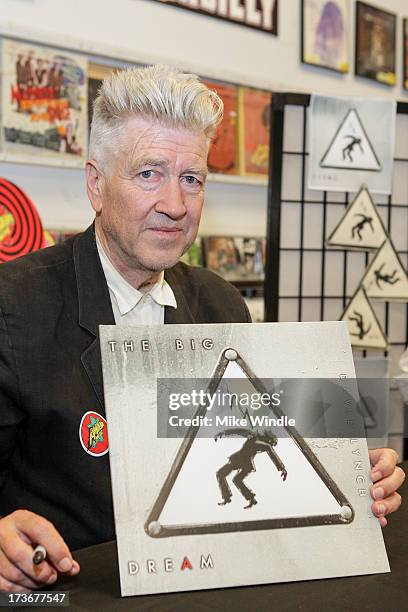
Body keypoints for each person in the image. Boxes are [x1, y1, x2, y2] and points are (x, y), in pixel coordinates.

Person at [0, 65, 404, 592]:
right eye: (149, 173)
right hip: (70, 593)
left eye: (191, 178)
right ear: (96, 184)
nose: (175, 204)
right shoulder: (13, 306)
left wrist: (350, 470)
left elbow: (249, 441)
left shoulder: (221, 303)